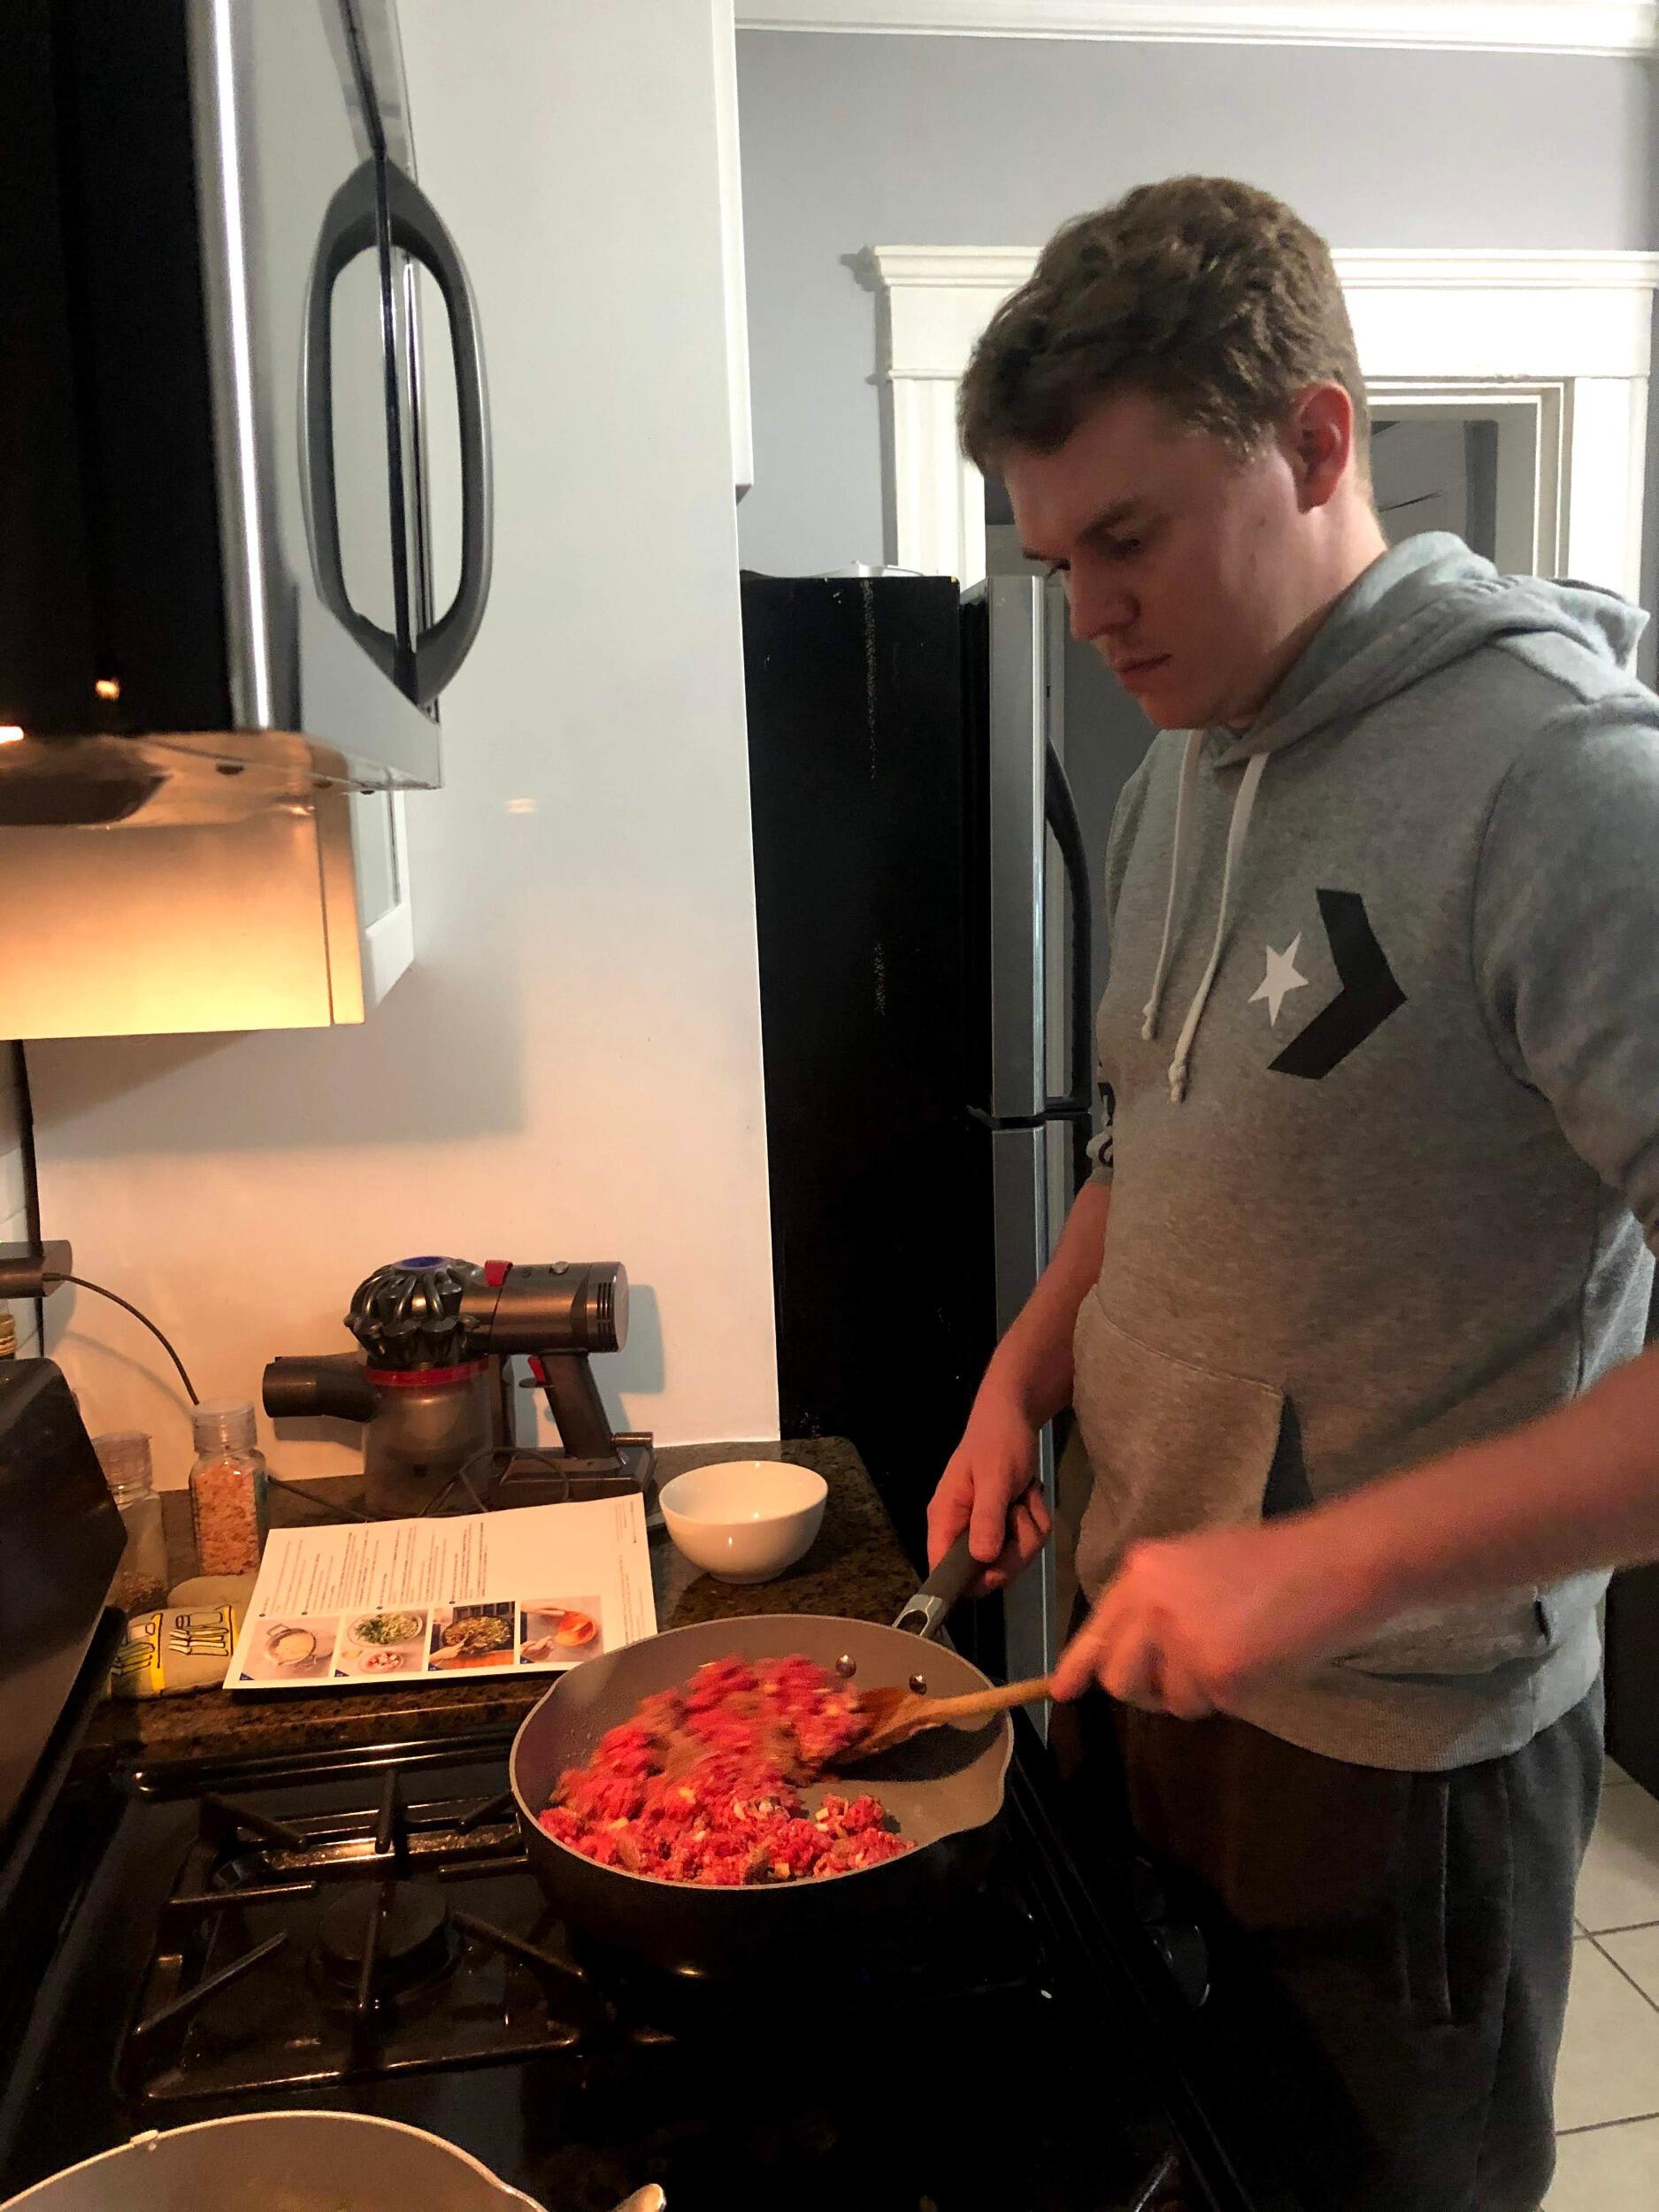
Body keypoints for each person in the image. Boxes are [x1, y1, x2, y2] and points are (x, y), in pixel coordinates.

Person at [928, 174, 1659, 2212]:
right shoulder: (1184, 754)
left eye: (1128, 537)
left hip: (1393, 1762)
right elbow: (1149, 1144)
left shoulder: (1563, 788)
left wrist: (1314, 1568)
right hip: (1143, 1669)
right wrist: (1020, 1372)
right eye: (1053, 554)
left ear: (1316, 442)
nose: (1086, 609)